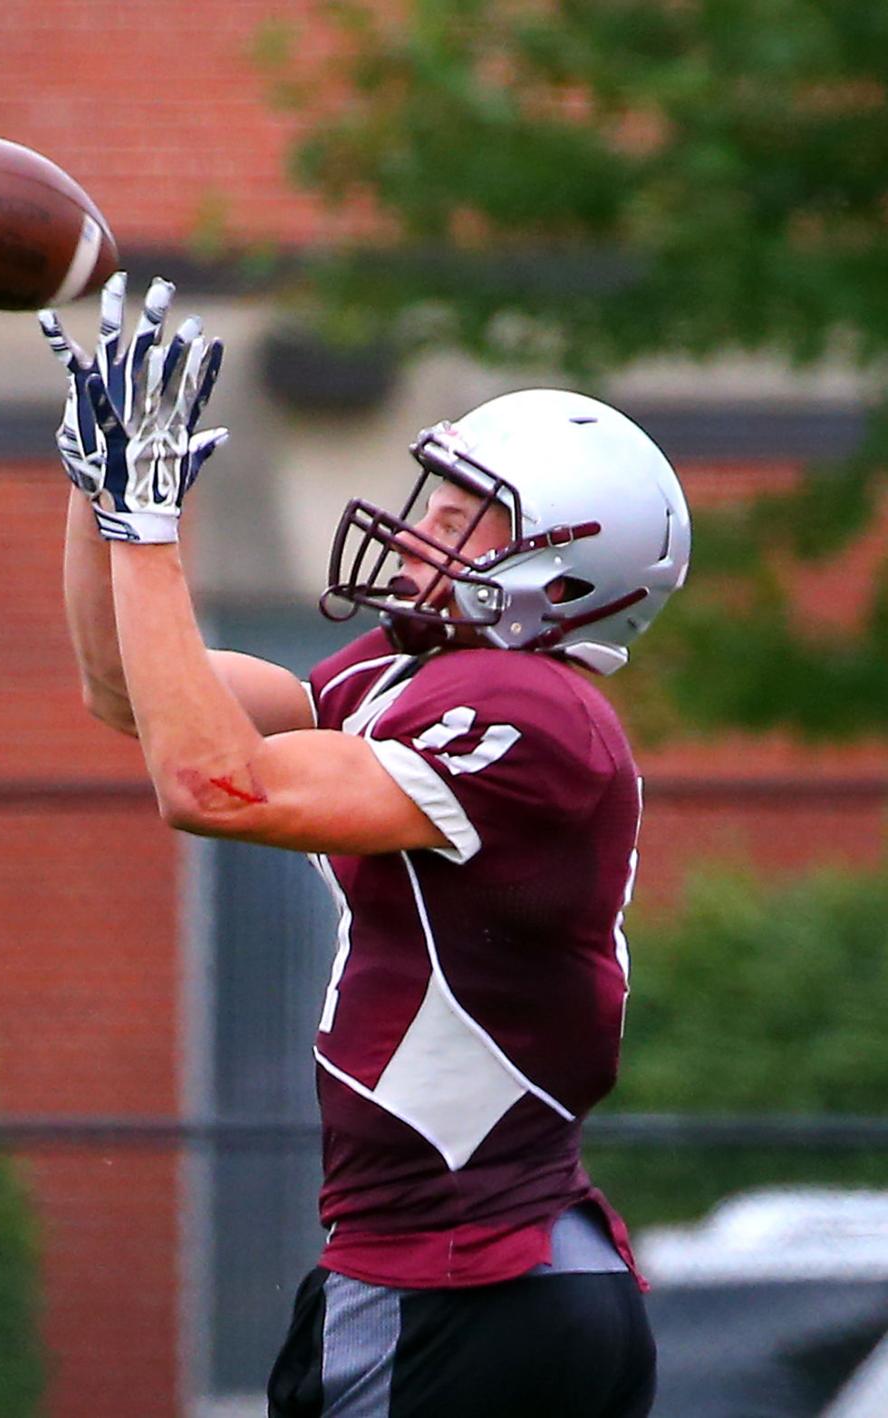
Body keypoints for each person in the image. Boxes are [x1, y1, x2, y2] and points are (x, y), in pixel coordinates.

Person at [39, 273, 691, 1418]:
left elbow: (215, 787)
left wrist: (149, 536)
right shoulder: (409, 672)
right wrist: (105, 517)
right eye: (435, 494)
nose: (421, 519)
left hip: (462, 1284)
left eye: (463, 513)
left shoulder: (530, 707)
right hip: (507, 1273)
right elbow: (129, 694)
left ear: (564, 568)